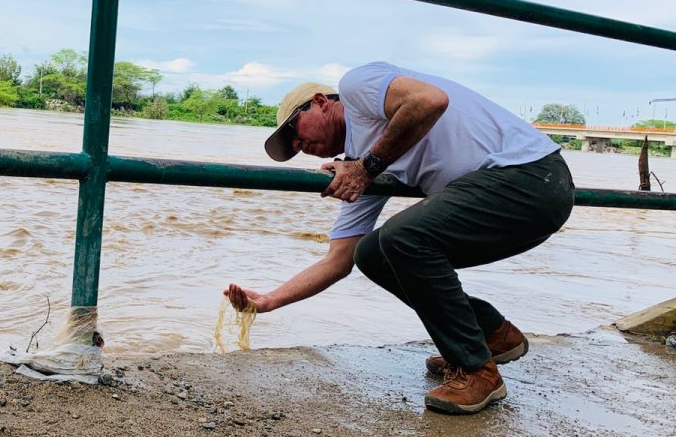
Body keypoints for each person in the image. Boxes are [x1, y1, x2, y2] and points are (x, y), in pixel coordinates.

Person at [224, 62, 575, 414]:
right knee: (372, 253)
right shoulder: (363, 163)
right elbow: (339, 259)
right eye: (292, 146)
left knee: (398, 240)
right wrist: (270, 301)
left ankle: (476, 372)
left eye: (294, 131)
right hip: (509, 200)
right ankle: (490, 335)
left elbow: (431, 100)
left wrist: (366, 168)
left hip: (531, 177)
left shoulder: (358, 86)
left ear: (320, 102)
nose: (299, 145)